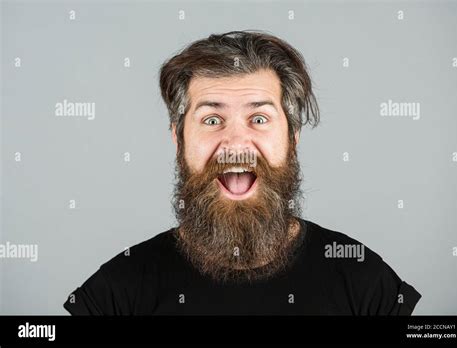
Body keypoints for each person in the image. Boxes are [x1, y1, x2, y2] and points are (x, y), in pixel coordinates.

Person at [64, 30, 421, 315]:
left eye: (259, 118)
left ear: (292, 138)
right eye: (212, 119)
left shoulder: (363, 280)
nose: (236, 142)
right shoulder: (116, 293)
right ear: (179, 138)